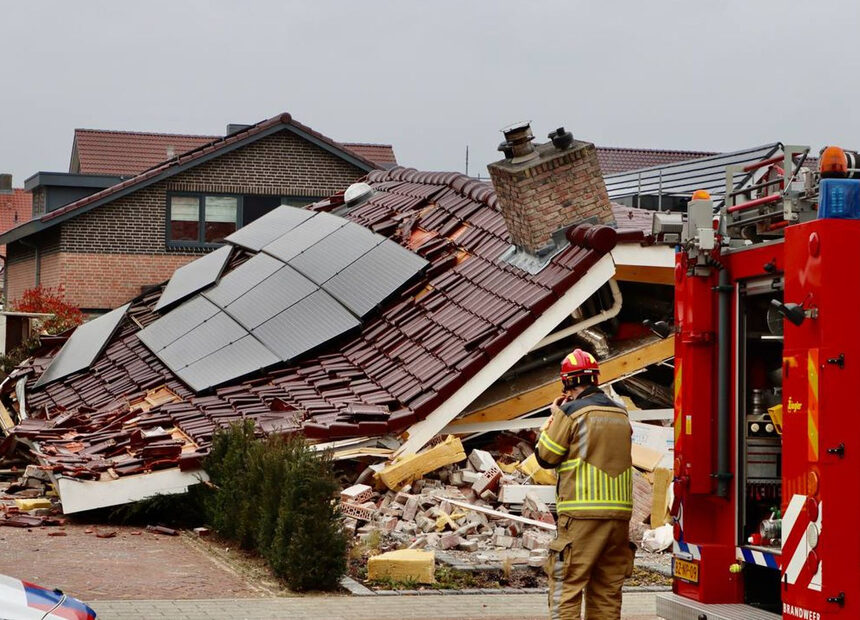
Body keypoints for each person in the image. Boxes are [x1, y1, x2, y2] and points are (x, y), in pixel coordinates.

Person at [535, 348, 634, 620]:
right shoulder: (621, 413)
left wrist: (553, 419)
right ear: (596, 379)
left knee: (566, 587)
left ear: (567, 383)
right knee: (606, 592)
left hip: (581, 517)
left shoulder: (571, 412)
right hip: (619, 519)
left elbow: (545, 457)